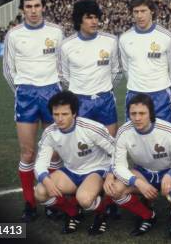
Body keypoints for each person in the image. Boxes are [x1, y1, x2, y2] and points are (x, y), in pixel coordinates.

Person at [2, 0, 64, 221]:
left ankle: (54, 202)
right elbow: (8, 70)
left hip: (52, 94)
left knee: (55, 152)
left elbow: (62, 65)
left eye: (37, 6)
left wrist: (59, 92)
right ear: (22, 10)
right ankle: (29, 203)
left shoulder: (57, 32)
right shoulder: (14, 35)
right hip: (26, 95)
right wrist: (20, 91)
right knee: (28, 152)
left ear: (44, 7)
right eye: (28, 7)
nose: (33, 10)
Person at [104, 93, 171, 237]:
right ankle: (148, 215)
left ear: (151, 113)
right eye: (133, 113)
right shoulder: (124, 131)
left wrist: (170, 175)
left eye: (142, 113)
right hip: (143, 173)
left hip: (168, 172)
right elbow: (118, 165)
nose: (137, 118)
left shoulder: (168, 130)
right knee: (115, 190)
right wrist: (137, 182)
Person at [34, 90, 115, 235]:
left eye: (64, 114)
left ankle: (102, 213)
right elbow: (40, 163)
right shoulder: (50, 133)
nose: (60, 119)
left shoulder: (91, 128)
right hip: (71, 171)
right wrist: (45, 179)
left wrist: (110, 174)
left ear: (74, 113)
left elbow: (117, 151)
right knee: (40, 192)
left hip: (96, 170)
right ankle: (73, 212)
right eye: (56, 114)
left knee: (84, 199)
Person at [59, 0, 121, 136]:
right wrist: (79, 90)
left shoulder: (111, 41)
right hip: (80, 101)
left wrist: (106, 88)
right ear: (79, 20)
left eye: (96, 17)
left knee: (109, 147)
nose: (94, 21)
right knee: (82, 149)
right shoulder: (66, 45)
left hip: (105, 100)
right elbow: (63, 76)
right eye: (88, 17)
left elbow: (116, 71)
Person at [119, 0, 171, 124]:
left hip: (161, 94)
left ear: (152, 11)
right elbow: (126, 68)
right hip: (135, 93)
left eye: (143, 11)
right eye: (136, 12)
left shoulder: (167, 37)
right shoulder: (125, 38)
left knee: (165, 135)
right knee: (135, 137)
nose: (139, 15)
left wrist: (160, 84)